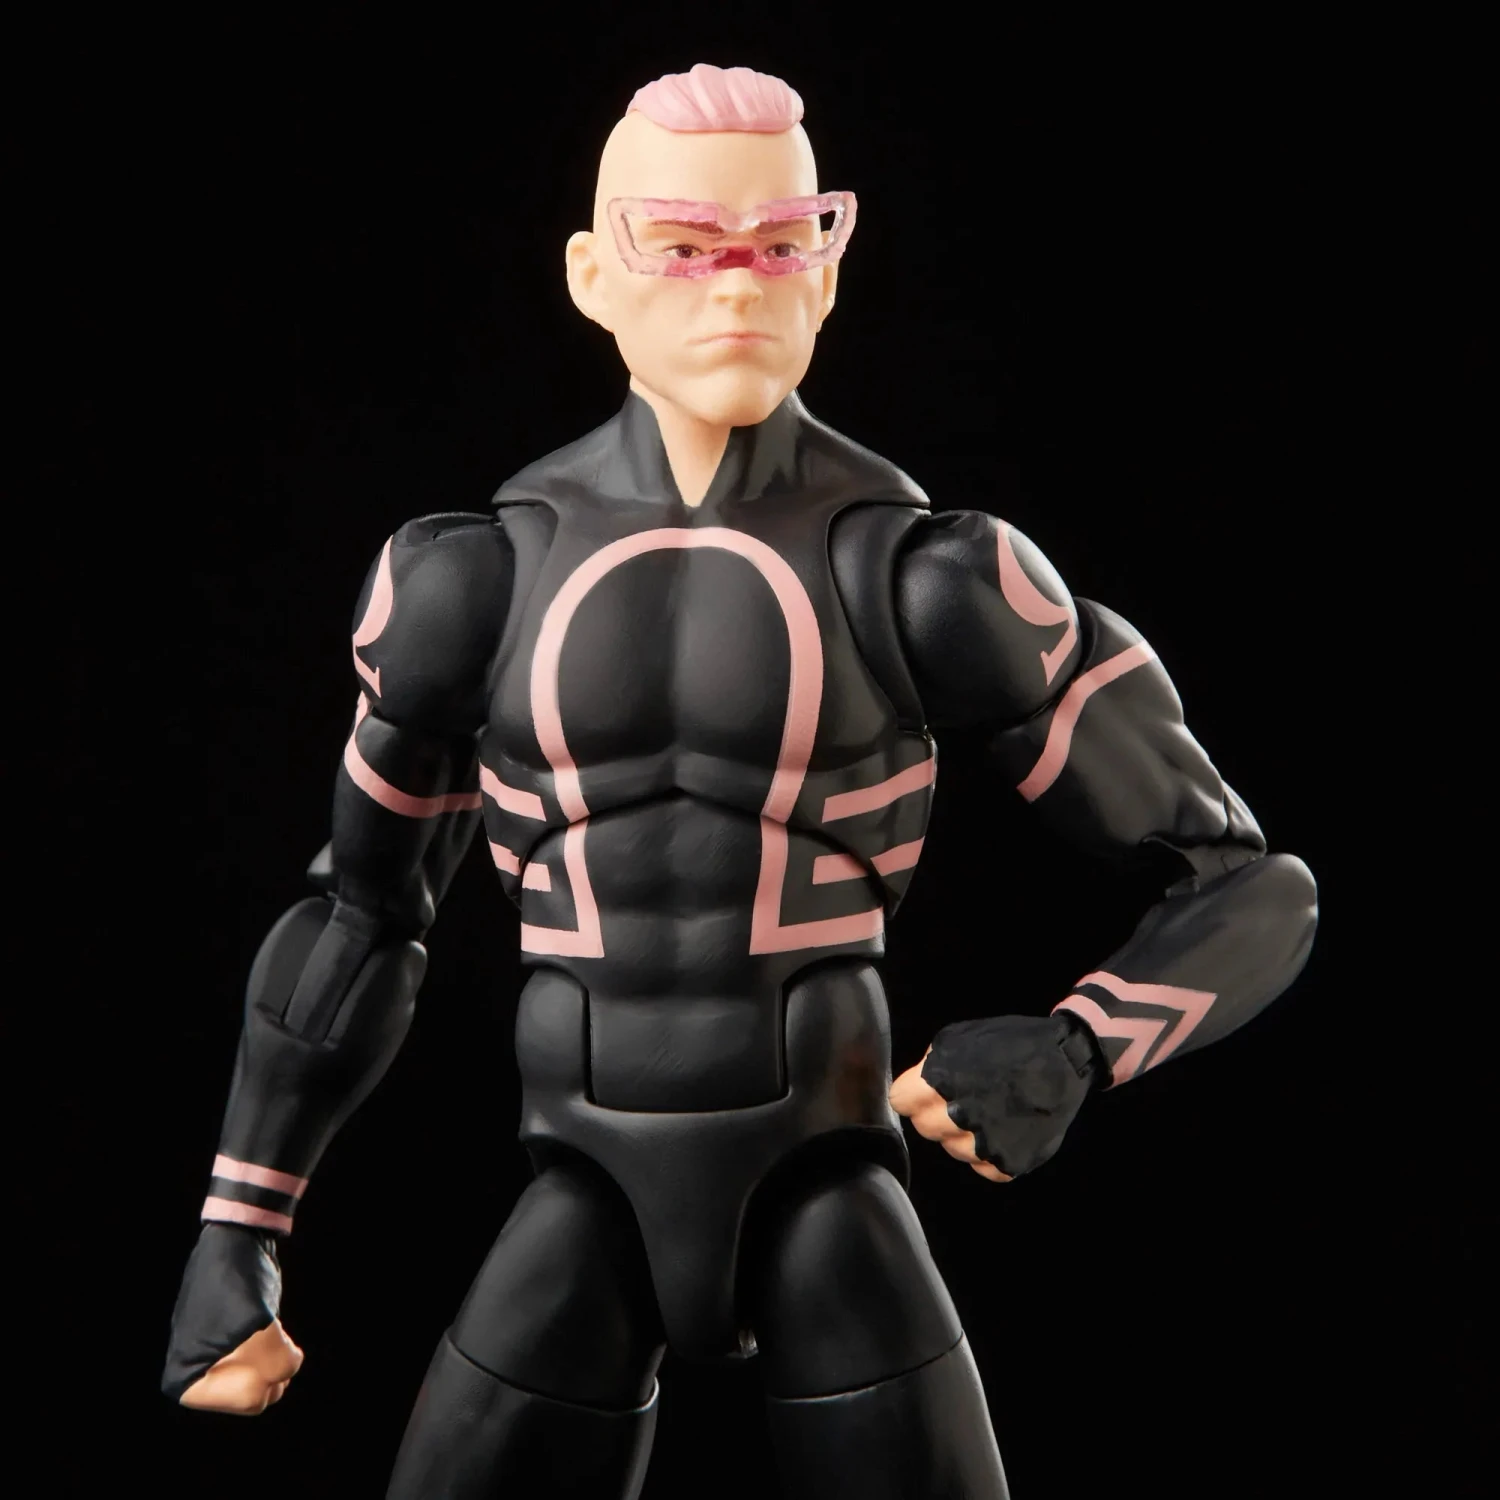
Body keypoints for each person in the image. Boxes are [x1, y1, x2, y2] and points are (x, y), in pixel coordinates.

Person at [162, 63, 1318, 1500]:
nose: (737, 289)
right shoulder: (469, 584)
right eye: (685, 245)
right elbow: (360, 916)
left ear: (828, 274)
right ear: (593, 275)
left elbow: (1250, 885)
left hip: (827, 1180)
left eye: (782, 244)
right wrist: (239, 1226)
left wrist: (1080, 1046)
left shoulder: (934, 577)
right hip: (581, 1181)